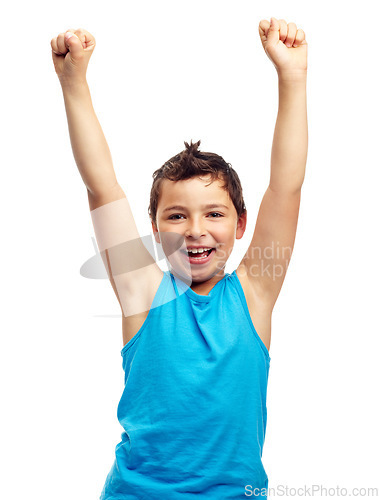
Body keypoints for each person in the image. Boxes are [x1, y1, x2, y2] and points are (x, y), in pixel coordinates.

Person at [51, 15, 308, 499]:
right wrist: (73, 82)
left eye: (214, 213)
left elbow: (286, 188)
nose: (194, 230)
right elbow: (101, 185)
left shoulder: (255, 291)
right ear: (154, 228)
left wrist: (292, 78)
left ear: (241, 224)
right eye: (175, 216)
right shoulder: (142, 290)